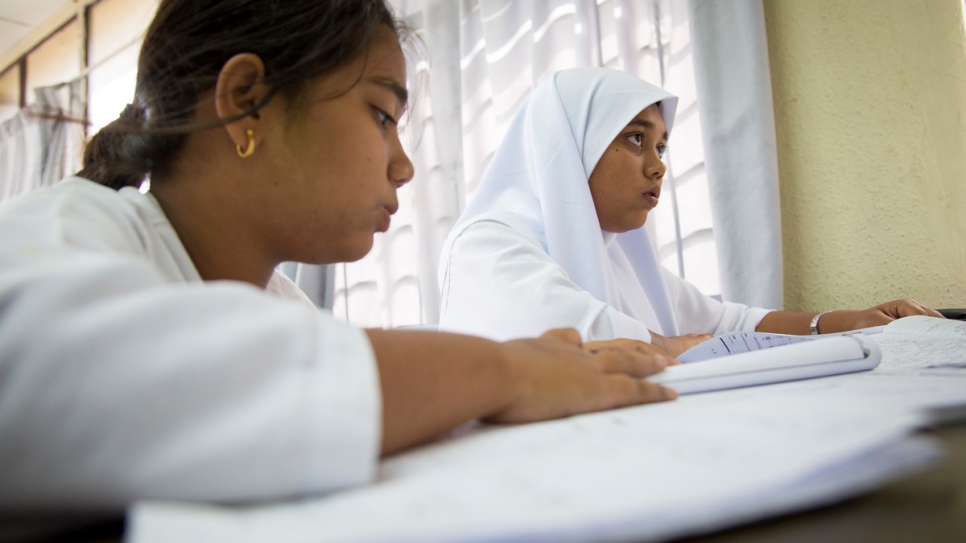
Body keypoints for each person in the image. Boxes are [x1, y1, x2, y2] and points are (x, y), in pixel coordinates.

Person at [0, 1, 680, 513]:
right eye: (382, 115)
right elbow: (86, 382)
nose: (405, 165)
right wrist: (501, 368)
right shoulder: (64, 229)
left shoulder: (278, 302)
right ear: (246, 104)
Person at [437, 67, 942, 356]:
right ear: (570, 146)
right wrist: (671, 345)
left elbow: (727, 320)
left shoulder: (620, 258)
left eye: (662, 147)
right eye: (636, 139)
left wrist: (844, 321)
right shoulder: (487, 243)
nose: (657, 167)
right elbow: (577, 335)